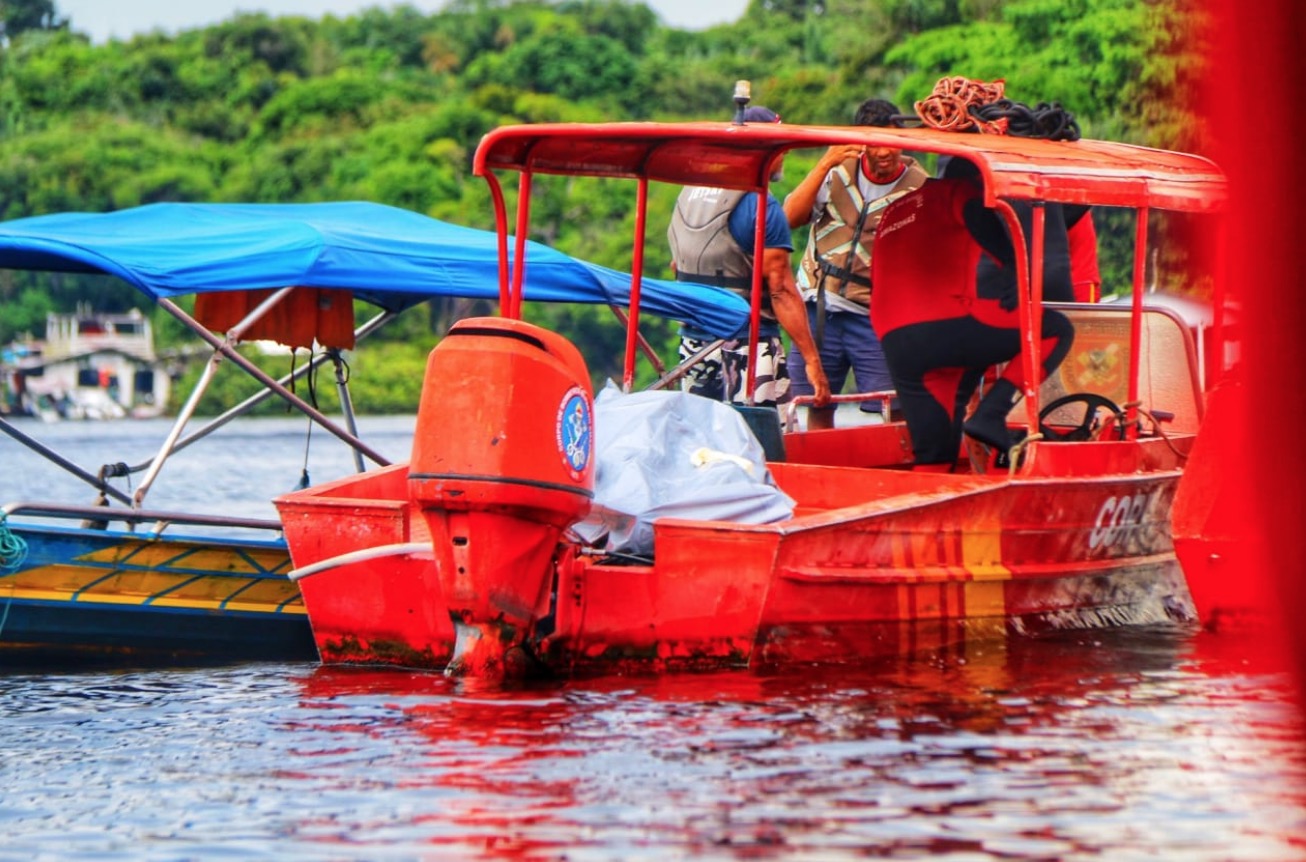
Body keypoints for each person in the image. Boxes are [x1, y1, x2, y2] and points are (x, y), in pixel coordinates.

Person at [869, 158, 1075, 470]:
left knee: (934, 455)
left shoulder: (893, 211)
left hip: (895, 340)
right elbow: (976, 214)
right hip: (945, 324)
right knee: (1055, 329)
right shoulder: (959, 191)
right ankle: (992, 414)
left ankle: (928, 515)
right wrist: (1015, 268)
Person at [667, 105, 831, 410]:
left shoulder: (689, 192)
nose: (784, 155)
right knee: (760, 439)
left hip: (693, 342)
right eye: (779, 148)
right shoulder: (761, 205)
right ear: (761, 149)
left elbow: (678, 264)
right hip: (748, 344)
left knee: (703, 441)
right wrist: (811, 360)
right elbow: (780, 289)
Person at [782, 99, 929, 429]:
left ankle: (893, 475)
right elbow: (789, 218)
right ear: (861, 142)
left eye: (892, 144)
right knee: (818, 401)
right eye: (875, 144)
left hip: (876, 312)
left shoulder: (920, 186)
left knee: (894, 407)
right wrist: (824, 163)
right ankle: (821, 471)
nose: (884, 154)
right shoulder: (836, 171)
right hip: (820, 307)